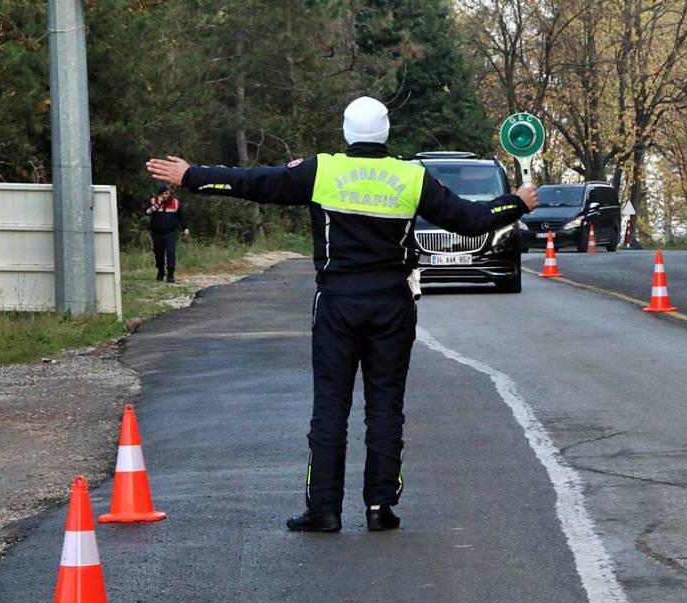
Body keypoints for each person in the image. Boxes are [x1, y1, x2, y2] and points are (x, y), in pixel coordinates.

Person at [146, 96, 538, 533]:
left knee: (331, 407)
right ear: (386, 133)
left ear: (347, 132)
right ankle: (380, 507)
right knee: (385, 406)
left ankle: (324, 509)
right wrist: (516, 203)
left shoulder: (323, 170)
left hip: (337, 303)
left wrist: (192, 176)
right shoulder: (411, 176)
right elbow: (470, 219)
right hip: (392, 305)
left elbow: (255, 182)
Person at [144, 184, 189, 283]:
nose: (165, 196)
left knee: (171, 253)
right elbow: (147, 212)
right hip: (157, 232)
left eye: (167, 193)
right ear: (159, 195)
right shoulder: (153, 201)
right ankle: (160, 271)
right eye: (163, 194)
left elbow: (181, 217)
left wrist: (185, 228)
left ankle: (170, 275)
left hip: (170, 232)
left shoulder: (175, 202)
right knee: (158, 254)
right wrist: (158, 204)